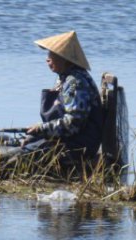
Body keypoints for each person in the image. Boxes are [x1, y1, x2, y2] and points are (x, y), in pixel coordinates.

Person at [20, 30, 103, 168]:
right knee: (26, 144)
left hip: (78, 147)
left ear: (64, 58)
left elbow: (73, 123)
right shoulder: (65, 77)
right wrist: (37, 134)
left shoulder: (76, 82)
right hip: (69, 141)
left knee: (22, 155)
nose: (47, 58)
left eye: (51, 54)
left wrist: (41, 129)